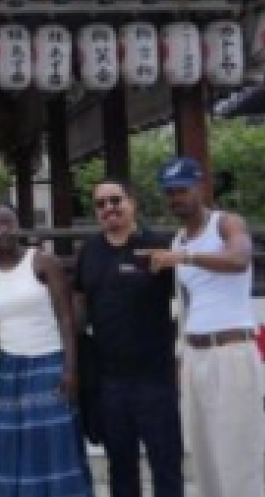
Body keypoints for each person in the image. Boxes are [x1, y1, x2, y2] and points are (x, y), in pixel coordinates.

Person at [143, 157, 263, 497]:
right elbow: (186, 303)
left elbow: (240, 260)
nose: (175, 198)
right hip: (195, 354)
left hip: (232, 349)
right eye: (169, 192)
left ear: (201, 188)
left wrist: (186, 258)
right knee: (205, 455)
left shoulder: (226, 223)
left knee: (237, 455)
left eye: (182, 190)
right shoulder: (178, 240)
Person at [74, 179, 182, 497]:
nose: (109, 208)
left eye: (115, 200)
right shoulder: (89, 251)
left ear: (132, 202)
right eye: (101, 204)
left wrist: (180, 355)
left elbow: (186, 302)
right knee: (120, 468)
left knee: (166, 465)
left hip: (156, 377)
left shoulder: (158, 246)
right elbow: (79, 305)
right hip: (110, 380)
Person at [0, 203, 88, 497]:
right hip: (8, 370)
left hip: (48, 363)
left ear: (19, 226)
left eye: (9, 222)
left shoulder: (41, 262)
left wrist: (70, 368)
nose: (3, 230)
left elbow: (66, 318)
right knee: (11, 449)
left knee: (51, 445)